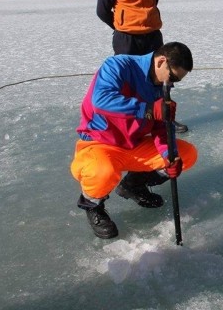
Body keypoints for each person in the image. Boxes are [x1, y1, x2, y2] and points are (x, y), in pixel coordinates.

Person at [70, 42, 198, 239]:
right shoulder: (119, 66)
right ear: (161, 61)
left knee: (185, 155)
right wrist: (147, 109)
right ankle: (93, 205)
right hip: (99, 143)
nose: (172, 84)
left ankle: (133, 185)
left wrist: (169, 154)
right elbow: (101, 100)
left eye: (176, 81)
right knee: (102, 171)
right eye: (172, 77)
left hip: (133, 145)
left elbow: (161, 127)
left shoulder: (161, 85)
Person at [96, 0, 188, 133]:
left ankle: (164, 120)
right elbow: (102, 10)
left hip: (152, 35)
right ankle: (130, 123)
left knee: (163, 77)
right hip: (127, 38)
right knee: (128, 82)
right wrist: (121, 26)